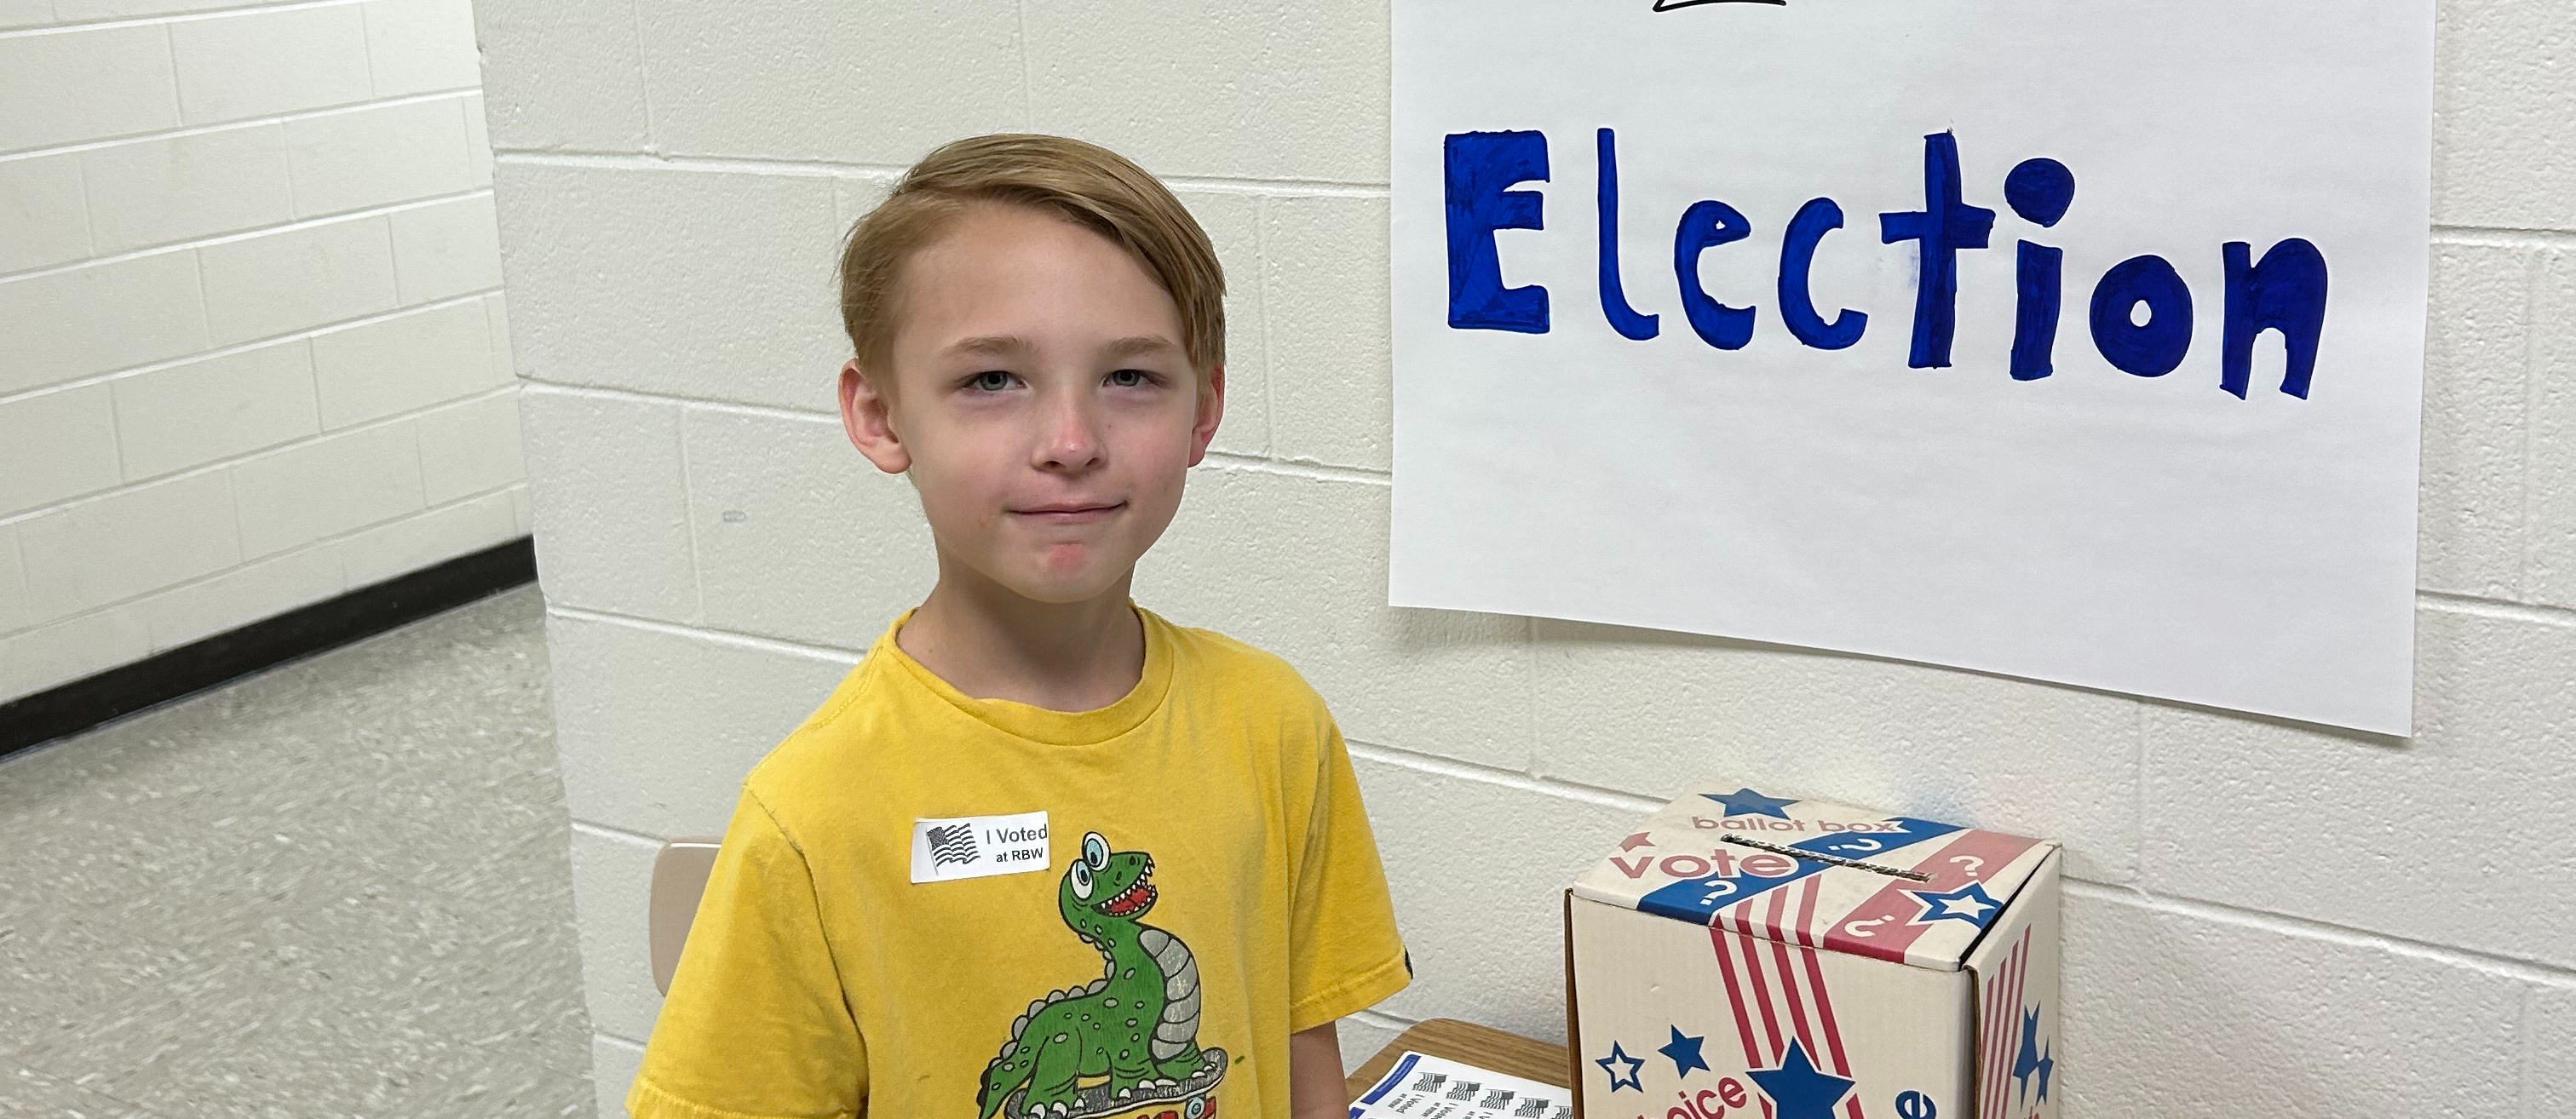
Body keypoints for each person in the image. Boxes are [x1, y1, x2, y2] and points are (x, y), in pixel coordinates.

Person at [624, 133, 1412, 1119]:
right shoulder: (814, 812)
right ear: (880, 415)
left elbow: (1303, 1060)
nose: (1072, 443)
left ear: (1205, 409)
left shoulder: (1275, 726)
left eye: (1130, 378)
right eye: (992, 381)